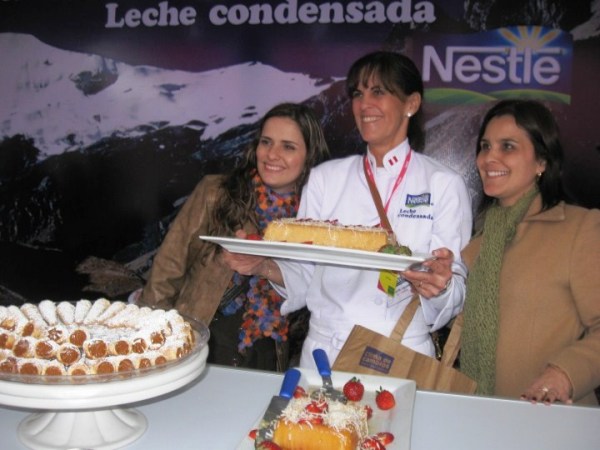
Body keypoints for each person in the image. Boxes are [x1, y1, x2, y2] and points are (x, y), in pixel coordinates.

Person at [223, 51, 473, 369]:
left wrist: (440, 287)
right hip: (324, 351)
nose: (364, 104)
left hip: (398, 348)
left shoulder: (443, 183)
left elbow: (455, 285)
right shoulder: (326, 178)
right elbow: (305, 273)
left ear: (411, 104)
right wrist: (261, 265)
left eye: (378, 92)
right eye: (358, 93)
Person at [137, 102, 330, 371]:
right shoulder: (217, 192)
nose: (272, 154)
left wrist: (266, 266)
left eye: (288, 146)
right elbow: (168, 268)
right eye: (266, 142)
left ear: (310, 155)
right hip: (203, 335)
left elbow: (318, 288)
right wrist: (154, 338)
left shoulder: (319, 218)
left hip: (269, 349)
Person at [432, 99, 600, 405]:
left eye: (507, 146)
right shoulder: (477, 243)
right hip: (477, 415)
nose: (489, 158)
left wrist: (565, 374)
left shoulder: (580, 229)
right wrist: (441, 286)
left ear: (542, 162)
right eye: (485, 146)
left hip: (551, 419)